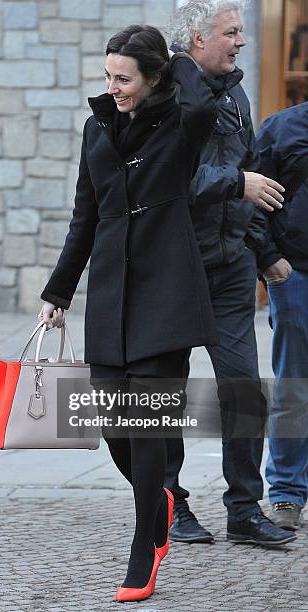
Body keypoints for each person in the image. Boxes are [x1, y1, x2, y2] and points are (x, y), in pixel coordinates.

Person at [39, 25, 219, 603]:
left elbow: (200, 94)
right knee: (114, 420)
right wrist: (59, 292)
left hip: (166, 285)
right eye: (107, 76)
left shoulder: (182, 122)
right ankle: (161, 498)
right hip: (113, 291)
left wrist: (173, 56)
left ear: (152, 76)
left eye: (124, 78)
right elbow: (83, 218)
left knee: (145, 424)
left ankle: (145, 545)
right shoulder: (97, 128)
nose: (112, 87)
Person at [164, 0, 297, 547]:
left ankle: (244, 510)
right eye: (231, 32)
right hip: (173, 270)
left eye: (243, 30)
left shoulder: (237, 94)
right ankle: (170, 505)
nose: (241, 41)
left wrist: (261, 253)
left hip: (231, 269)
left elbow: (252, 178)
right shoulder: (166, 93)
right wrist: (235, 182)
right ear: (197, 39)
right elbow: (168, 180)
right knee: (162, 394)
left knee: (243, 390)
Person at [256, 101, 308, 531]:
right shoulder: (282, 129)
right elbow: (254, 204)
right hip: (297, 275)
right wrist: (270, 259)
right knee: (294, 386)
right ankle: (287, 493)